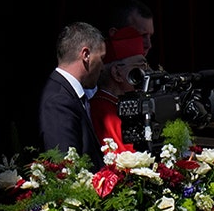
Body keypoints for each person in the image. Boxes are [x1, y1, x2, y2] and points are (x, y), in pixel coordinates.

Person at [39, 22, 107, 165]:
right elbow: (65, 167)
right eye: (102, 58)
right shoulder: (59, 100)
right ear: (86, 55)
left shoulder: (68, 93)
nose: (103, 68)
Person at [89, 26, 149, 153]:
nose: (146, 72)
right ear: (117, 73)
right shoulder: (101, 109)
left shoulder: (124, 102)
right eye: (140, 66)